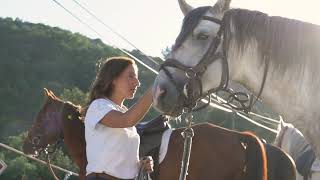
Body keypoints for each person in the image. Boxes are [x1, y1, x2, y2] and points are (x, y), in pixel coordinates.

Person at [84, 56, 154, 180]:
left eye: (137, 77)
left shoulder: (124, 112)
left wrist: (140, 164)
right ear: (113, 79)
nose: (137, 83)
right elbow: (126, 120)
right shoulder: (99, 105)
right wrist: (154, 90)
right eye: (131, 76)